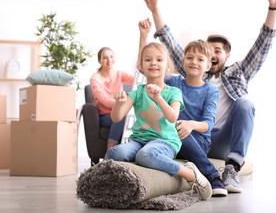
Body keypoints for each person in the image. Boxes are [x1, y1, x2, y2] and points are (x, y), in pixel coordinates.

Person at [144, 0, 276, 193]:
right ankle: (208, 174)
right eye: (209, 50)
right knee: (174, 121)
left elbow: (263, 44)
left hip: (222, 139)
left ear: (226, 55)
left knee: (245, 103)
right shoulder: (193, 71)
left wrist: (273, 7)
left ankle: (232, 168)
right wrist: (155, 10)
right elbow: (169, 42)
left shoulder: (239, 72)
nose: (213, 53)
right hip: (192, 137)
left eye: (218, 50)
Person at [105, 42, 212, 201]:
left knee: (145, 155)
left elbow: (173, 117)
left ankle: (189, 173)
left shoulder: (173, 92)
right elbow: (116, 117)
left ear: (168, 66)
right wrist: (119, 103)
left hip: (165, 141)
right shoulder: (136, 93)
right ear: (141, 66)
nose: (153, 63)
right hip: (139, 140)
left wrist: (158, 98)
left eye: (159, 60)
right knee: (116, 153)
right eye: (148, 60)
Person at [139, 19, 227, 197]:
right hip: (172, 137)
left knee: (178, 129)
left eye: (200, 59)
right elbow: (146, 68)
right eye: (189, 58)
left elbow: (208, 124)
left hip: (198, 141)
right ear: (183, 61)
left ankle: (212, 175)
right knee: (167, 132)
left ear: (208, 66)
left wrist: (191, 125)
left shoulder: (210, 91)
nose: (194, 62)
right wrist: (144, 36)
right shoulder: (173, 81)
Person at [90, 47, 135, 152]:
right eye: (105, 58)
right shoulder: (95, 78)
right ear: (99, 61)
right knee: (121, 116)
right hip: (105, 116)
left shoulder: (119, 74)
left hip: (120, 110)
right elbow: (105, 101)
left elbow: (137, 79)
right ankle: (109, 151)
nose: (109, 60)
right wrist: (123, 104)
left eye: (111, 56)